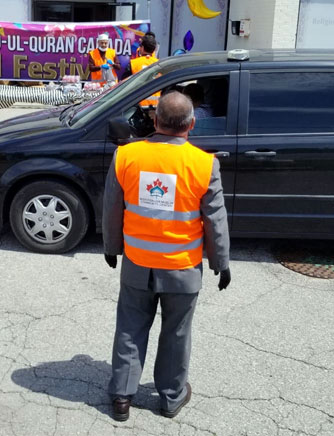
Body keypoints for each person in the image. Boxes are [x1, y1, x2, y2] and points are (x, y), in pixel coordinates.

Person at [103, 91, 231, 422]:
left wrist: (111, 248)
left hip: (137, 263)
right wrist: (221, 263)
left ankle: (121, 397)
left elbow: (112, 208)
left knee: (130, 327)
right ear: (191, 124)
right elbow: (215, 221)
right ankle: (171, 398)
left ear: (155, 120)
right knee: (176, 333)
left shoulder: (126, 156)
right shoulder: (204, 164)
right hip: (182, 268)